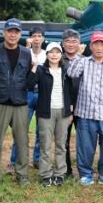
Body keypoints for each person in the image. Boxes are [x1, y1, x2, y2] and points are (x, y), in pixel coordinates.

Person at [0, 18, 37, 187]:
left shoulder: (26, 53)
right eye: (10, 31)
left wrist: (35, 70)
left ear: (20, 34)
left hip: (20, 102)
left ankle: (22, 175)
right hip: (0, 101)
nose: (13, 35)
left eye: (16, 32)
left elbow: (29, 78)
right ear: (4, 33)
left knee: (22, 141)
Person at [68, 31, 103, 187]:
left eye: (102, 44)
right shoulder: (84, 62)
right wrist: (78, 55)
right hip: (86, 112)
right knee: (85, 146)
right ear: (91, 46)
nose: (99, 47)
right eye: (96, 44)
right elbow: (72, 73)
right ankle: (85, 174)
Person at [30, 42, 73, 187]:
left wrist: (70, 109)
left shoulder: (66, 70)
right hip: (46, 113)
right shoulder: (42, 70)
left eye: (57, 52)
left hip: (63, 112)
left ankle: (60, 174)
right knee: (45, 145)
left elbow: (72, 90)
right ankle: (45, 175)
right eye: (51, 52)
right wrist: (34, 67)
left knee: (61, 145)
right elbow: (30, 84)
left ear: (61, 55)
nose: (54, 55)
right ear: (47, 55)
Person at [8, 25, 46, 172]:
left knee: (40, 130)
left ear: (43, 38)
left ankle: (37, 159)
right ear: (30, 38)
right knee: (21, 128)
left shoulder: (47, 54)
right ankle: (14, 160)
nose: (37, 39)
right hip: (27, 93)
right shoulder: (23, 53)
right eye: (34, 36)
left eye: (39, 36)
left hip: (42, 93)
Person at [61, 28, 84, 178]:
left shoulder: (85, 60)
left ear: (79, 44)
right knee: (64, 140)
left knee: (83, 140)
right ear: (63, 44)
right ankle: (66, 170)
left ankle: (83, 170)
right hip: (63, 106)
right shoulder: (57, 59)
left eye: (74, 42)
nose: (71, 44)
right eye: (68, 41)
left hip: (82, 105)